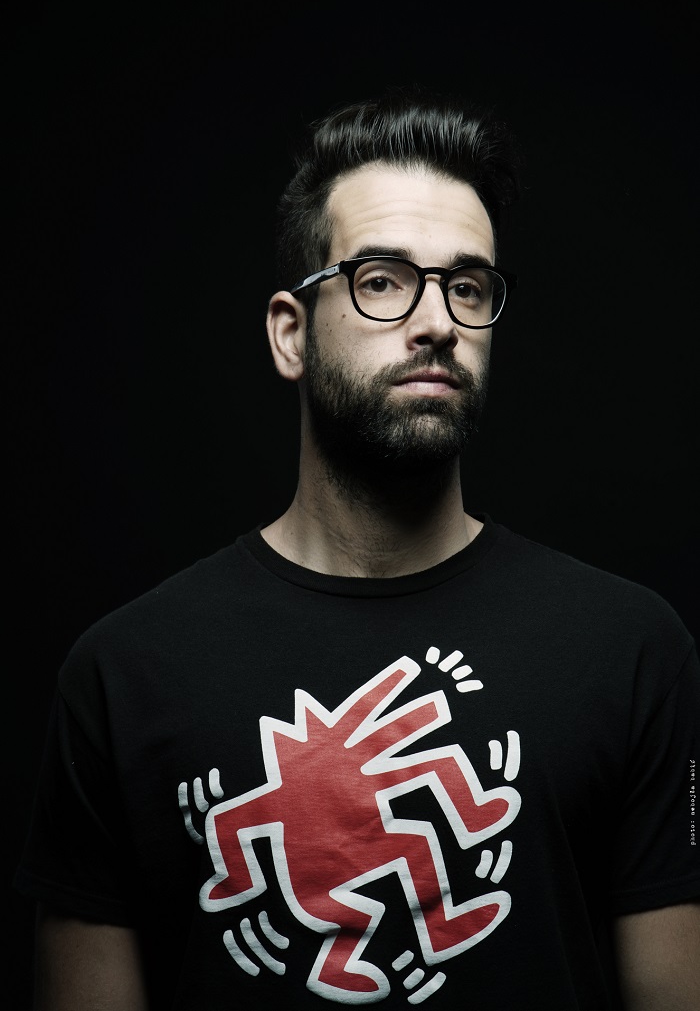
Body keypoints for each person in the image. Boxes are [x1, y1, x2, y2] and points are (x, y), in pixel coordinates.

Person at [15, 89, 699, 1010]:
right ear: (290, 334)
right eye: (382, 279)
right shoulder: (123, 674)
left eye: (467, 286)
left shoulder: (629, 650)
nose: (438, 321)